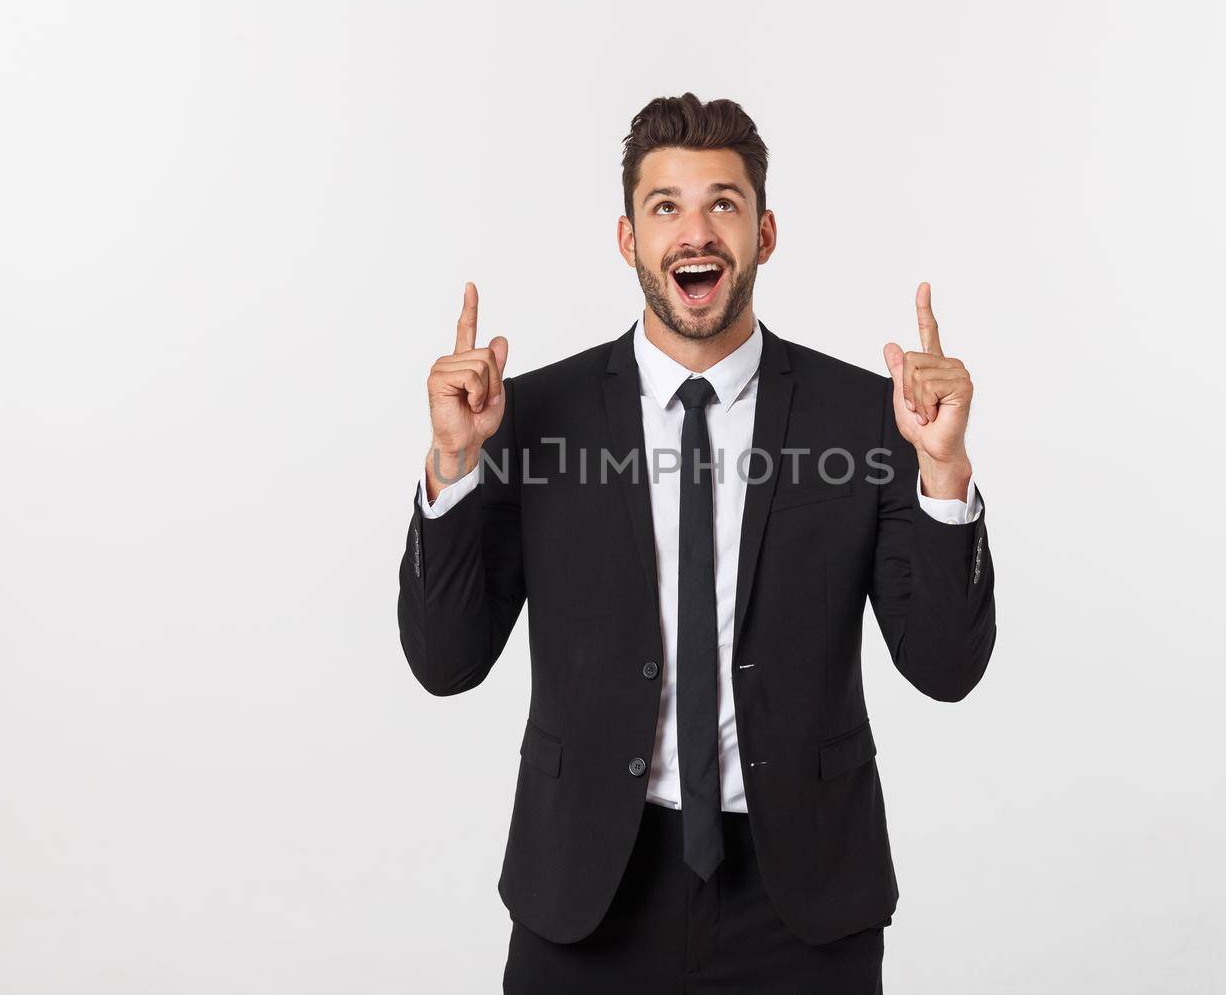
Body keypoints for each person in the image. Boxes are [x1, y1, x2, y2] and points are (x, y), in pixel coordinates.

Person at [398, 92, 997, 993]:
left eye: (722, 203)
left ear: (764, 231)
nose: (696, 231)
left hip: (803, 901)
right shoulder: (529, 416)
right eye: (665, 206)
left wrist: (944, 470)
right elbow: (445, 661)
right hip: (587, 890)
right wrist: (453, 462)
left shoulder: (870, 420)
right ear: (628, 238)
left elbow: (947, 666)